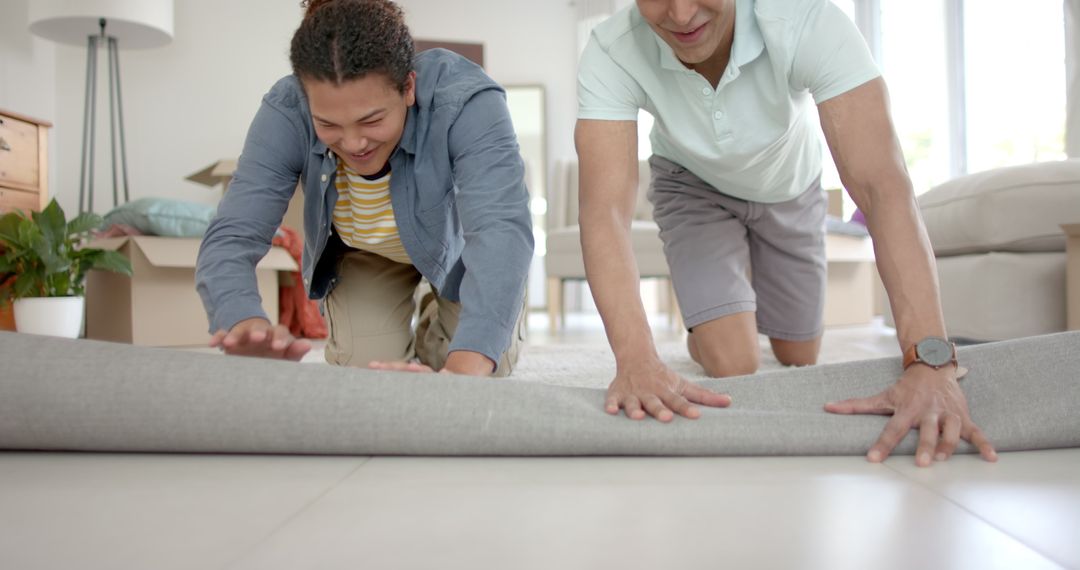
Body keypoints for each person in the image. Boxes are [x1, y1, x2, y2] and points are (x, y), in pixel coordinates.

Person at [574, 0, 997, 465]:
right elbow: (606, 213)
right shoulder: (611, 50)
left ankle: (730, 294)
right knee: (733, 362)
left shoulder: (807, 20)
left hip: (790, 186)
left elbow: (883, 188)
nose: (679, 14)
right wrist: (636, 358)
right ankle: (710, 319)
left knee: (799, 356)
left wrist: (929, 361)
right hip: (693, 185)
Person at [196, 0, 532, 377]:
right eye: (329, 125)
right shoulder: (287, 109)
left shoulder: (468, 101)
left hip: (460, 257)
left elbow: (501, 229)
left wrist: (466, 364)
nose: (354, 144)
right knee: (366, 379)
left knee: (480, 364)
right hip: (363, 255)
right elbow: (233, 233)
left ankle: (434, 322)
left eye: (371, 120)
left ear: (408, 87)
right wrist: (243, 322)